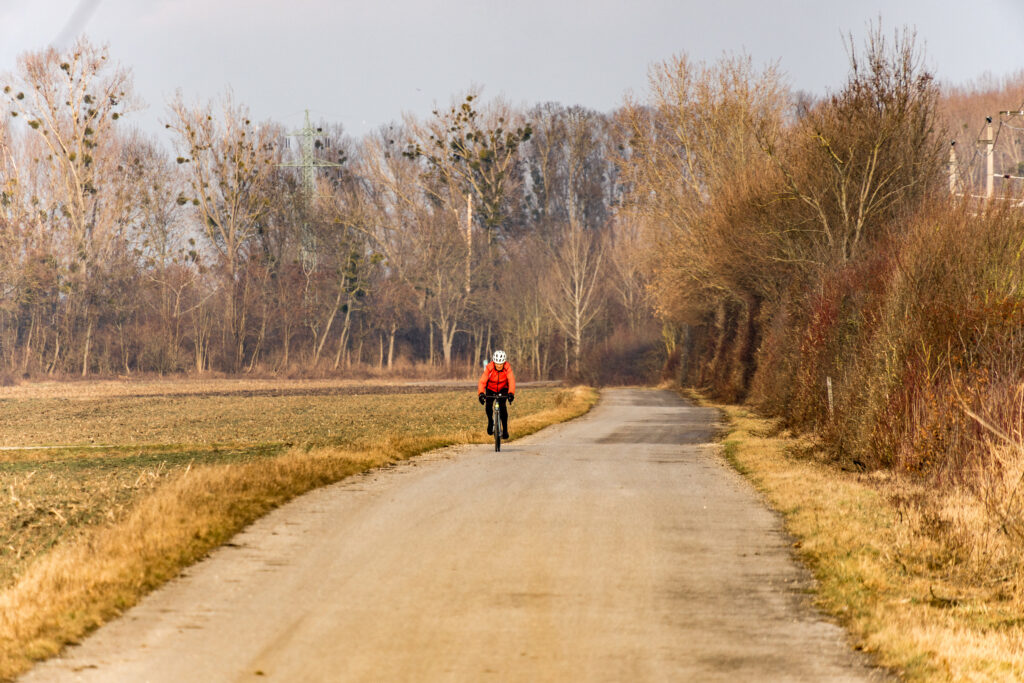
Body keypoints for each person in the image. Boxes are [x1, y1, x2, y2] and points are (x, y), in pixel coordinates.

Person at [477, 350, 515, 439]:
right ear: (494, 362)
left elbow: (511, 381)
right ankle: (490, 421)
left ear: (504, 362)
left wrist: (511, 393)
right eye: (497, 364)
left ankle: (505, 430)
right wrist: (481, 393)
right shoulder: (489, 368)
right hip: (491, 388)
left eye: (501, 364)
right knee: (488, 406)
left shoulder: (507, 368)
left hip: (503, 388)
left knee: (502, 406)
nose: (499, 366)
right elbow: (482, 381)